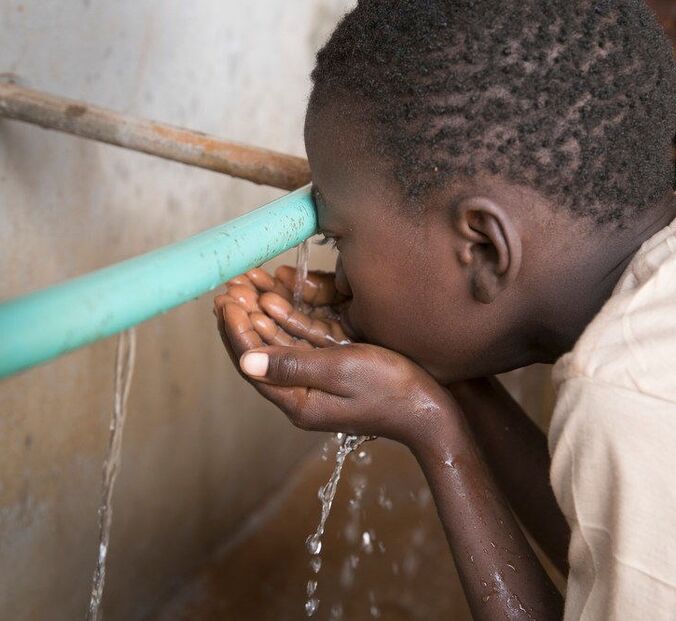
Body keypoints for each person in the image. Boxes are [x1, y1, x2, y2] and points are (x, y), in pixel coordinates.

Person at [213, 1, 676, 619]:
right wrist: (457, 387)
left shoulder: (623, 393)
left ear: (482, 246)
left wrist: (435, 430)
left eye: (338, 239)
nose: (340, 274)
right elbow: (625, 554)